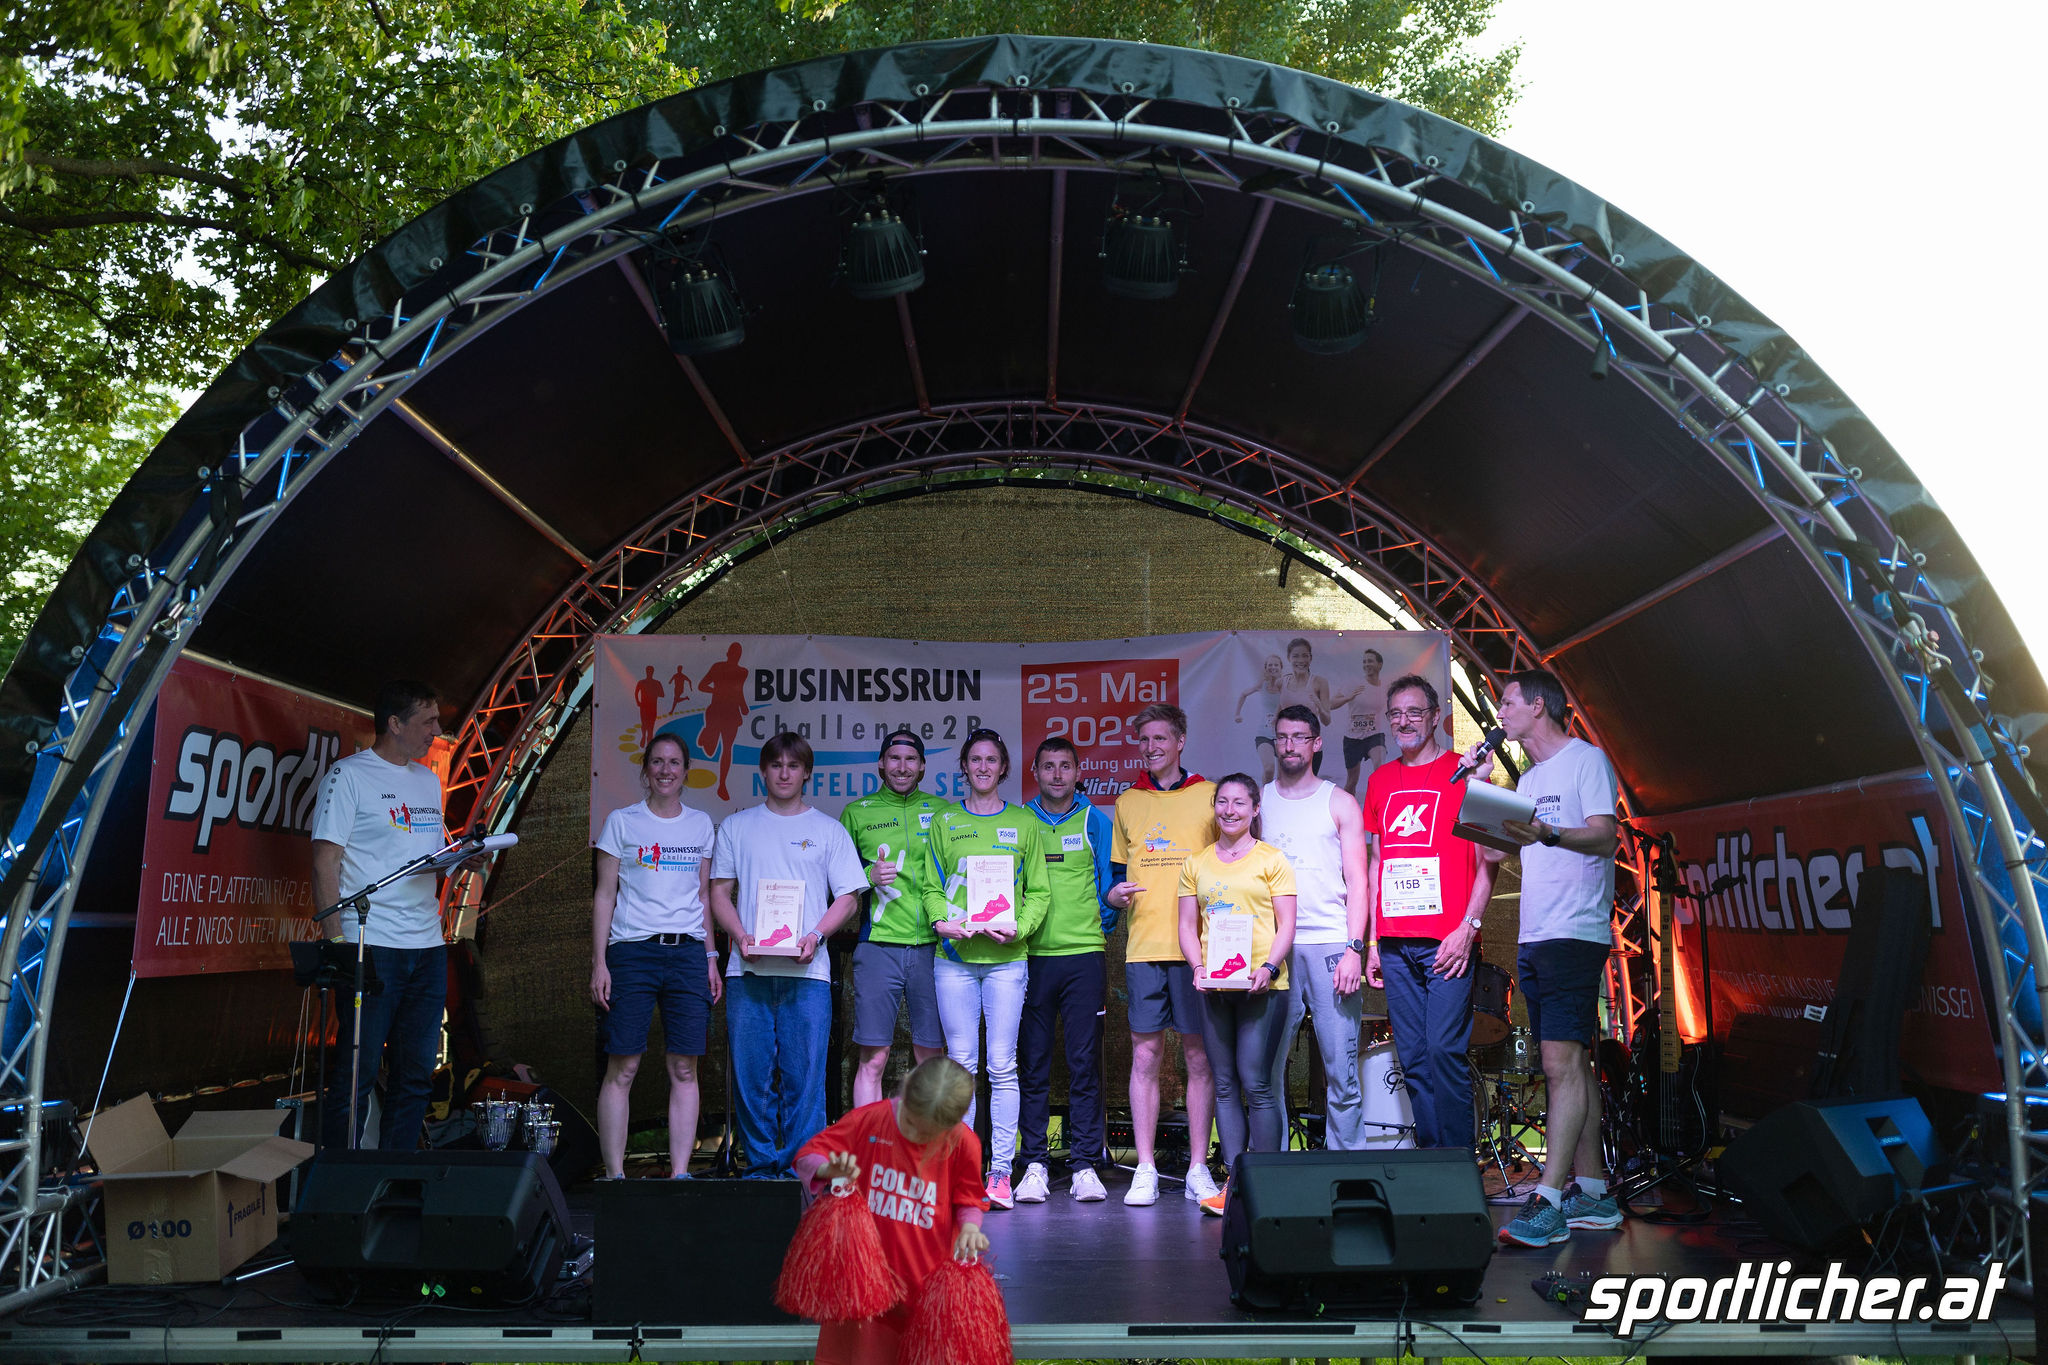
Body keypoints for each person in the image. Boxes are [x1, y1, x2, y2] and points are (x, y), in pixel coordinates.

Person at [1486, 668, 1623, 1247]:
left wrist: (1548, 834)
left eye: (1508, 702)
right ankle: (1592, 1193)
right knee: (1573, 1067)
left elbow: (1605, 835)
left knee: (1559, 1064)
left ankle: (1547, 1200)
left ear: (1538, 706)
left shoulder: (1585, 760)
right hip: (1537, 932)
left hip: (1574, 932)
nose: (1500, 712)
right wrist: (1481, 803)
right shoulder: (1530, 777)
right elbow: (1505, 846)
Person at [708, 733, 867, 1178]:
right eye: (775, 765)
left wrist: (815, 935)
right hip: (749, 971)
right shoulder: (737, 826)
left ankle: (803, 1171)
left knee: (805, 1080)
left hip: (808, 974)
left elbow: (848, 898)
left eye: (793, 766)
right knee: (751, 1079)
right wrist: (740, 935)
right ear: (762, 771)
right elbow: (719, 893)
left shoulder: (828, 830)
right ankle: (761, 1170)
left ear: (807, 773)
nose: (783, 773)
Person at [309, 679, 449, 1150]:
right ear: (395, 723)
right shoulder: (348, 776)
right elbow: (324, 861)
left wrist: (463, 859)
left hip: (428, 946)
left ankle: (396, 1176)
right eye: (428, 721)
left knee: (416, 1075)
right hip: (372, 944)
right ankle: (341, 1180)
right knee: (358, 1072)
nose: (436, 731)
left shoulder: (428, 781)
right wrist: (337, 944)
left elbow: (429, 858)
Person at [1361, 673, 1496, 1150]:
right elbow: (1377, 861)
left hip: (1448, 942)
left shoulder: (1465, 772)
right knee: (1414, 1057)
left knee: (1443, 1051)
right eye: (1396, 714)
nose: (1404, 722)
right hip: (1395, 945)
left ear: (1436, 716)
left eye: (1414, 712)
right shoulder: (1379, 780)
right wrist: (1373, 942)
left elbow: (1489, 862)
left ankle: (1458, 1164)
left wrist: (1469, 928)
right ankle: (1432, 1161)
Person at [922, 730, 1050, 1209]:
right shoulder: (945, 821)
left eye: (991, 760)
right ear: (964, 766)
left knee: (1002, 1066)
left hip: (1006, 962)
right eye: (974, 759)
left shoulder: (1023, 822)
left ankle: (999, 1173)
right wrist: (942, 922)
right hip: (954, 962)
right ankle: (962, 1171)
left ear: (1003, 768)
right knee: (961, 1067)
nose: (982, 767)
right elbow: (931, 887)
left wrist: (1019, 929)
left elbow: (1038, 892)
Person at [794, 1057, 990, 1365]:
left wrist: (970, 1228)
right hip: (865, 1291)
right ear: (906, 1085)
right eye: (910, 1122)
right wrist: (827, 1169)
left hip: (925, 1294)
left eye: (927, 1134)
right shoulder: (870, 1119)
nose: (914, 1136)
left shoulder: (964, 1143)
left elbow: (970, 1199)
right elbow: (807, 1155)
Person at [590, 733, 722, 1179]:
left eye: (674, 763)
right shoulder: (621, 822)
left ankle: (680, 1174)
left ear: (686, 771)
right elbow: (604, 895)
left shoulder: (701, 824)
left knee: (684, 1067)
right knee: (623, 1066)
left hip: (687, 954)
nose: (666, 770)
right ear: (645, 770)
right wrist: (599, 962)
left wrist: (711, 958)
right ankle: (615, 1176)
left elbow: (703, 896)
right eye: (658, 762)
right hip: (632, 953)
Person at [1107, 702, 1221, 1208]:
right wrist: (1113, 896)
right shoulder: (1128, 802)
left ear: (1180, 741)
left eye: (1160, 738)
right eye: (1144, 739)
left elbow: (1230, 863)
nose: (1151, 747)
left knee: (1198, 1056)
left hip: (1199, 951)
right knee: (1146, 1056)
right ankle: (1146, 1168)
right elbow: (1117, 878)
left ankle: (1198, 1167)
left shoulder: (1210, 795)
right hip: (1144, 947)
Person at [1178, 774, 1296, 1215]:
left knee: (1256, 1083)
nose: (1229, 810)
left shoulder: (1272, 859)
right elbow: (1187, 926)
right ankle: (1234, 1181)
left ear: (1255, 808)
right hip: (1214, 988)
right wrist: (1198, 968)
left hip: (1262, 986)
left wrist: (1269, 967)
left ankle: (1266, 1183)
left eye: (1239, 803)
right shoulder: (1196, 863)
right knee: (1224, 1084)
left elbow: (1287, 924)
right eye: (1222, 802)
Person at [1261, 704, 1373, 1150]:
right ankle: (1272, 1169)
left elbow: (1359, 881)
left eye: (1299, 737)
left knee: (1341, 1071)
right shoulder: (1259, 803)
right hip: (1275, 951)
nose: (1289, 745)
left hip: (1331, 946)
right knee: (1266, 1072)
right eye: (1282, 737)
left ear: (1316, 743)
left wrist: (1354, 949)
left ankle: (1350, 1167)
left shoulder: (1340, 802)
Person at [1015, 737, 1116, 1204]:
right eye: (1048, 766)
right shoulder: (1020, 820)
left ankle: (1085, 1165)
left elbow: (1110, 885)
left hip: (1083, 958)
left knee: (1083, 1065)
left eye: (1065, 766)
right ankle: (1034, 1163)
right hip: (1030, 957)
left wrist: (1098, 925)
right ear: (1034, 772)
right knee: (1032, 1064)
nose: (1057, 774)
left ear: (1078, 772)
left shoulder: (1096, 821)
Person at [839, 729, 949, 1108]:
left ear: (922, 766)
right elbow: (834, 883)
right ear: (881, 764)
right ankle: (869, 1141)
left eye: (911, 759)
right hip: (878, 946)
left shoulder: (943, 811)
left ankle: (931, 1141)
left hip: (933, 948)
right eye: (895, 759)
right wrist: (867, 876)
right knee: (873, 1058)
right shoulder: (857, 813)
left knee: (930, 1056)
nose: (902, 767)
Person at [1329, 648, 1388, 796]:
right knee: (1352, 780)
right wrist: (1347, 698)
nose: (1367, 664)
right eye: (1364, 662)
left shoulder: (1385, 687)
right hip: (1352, 738)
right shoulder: (1354, 684)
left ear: (1379, 664)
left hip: (1374, 735)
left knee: (1380, 766)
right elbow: (1331, 704)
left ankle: (1377, 802)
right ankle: (1348, 807)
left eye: (1370, 661)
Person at [696, 642, 749, 801]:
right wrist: (717, 690)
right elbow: (702, 685)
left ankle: (722, 785)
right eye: (733, 653)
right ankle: (706, 734)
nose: (735, 656)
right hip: (716, 710)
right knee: (710, 751)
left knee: (727, 748)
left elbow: (739, 691)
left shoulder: (743, 672)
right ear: (728, 654)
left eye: (738, 654)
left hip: (732, 714)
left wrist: (743, 706)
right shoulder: (717, 667)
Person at [1279, 639, 1332, 775]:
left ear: (1310, 658)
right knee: (1287, 785)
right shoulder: (1282, 682)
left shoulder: (1319, 682)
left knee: (1306, 786)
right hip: (1287, 748)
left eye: (1305, 656)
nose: (1300, 660)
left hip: (1310, 748)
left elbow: (1327, 720)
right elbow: (1278, 713)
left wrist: (1318, 703)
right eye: (1296, 656)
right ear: (1289, 658)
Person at [1232, 654, 1285, 783]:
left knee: (1283, 775)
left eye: (1276, 665)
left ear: (1281, 667)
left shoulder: (1286, 685)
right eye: (1270, 665)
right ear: (1266, 668)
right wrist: (1237, 714)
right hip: (1264, 734)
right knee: (1269, 769)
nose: (1273, 667)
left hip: (1283, 735)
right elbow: (1243, 694)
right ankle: (1264, 793)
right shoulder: (1262, 684)